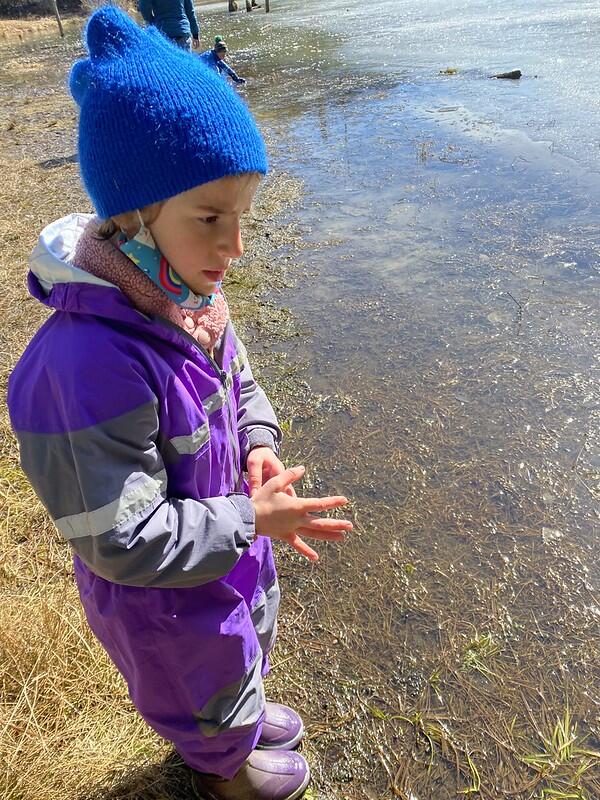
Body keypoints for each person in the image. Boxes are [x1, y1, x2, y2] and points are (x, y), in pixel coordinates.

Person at [7, 7, 353, 800]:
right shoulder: (85, 365)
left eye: (244, 218)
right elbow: (119, 538)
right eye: (210, 219)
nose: (235, 246)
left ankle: (238, 713)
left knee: (237, 656)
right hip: (163, 602)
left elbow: (238, 380)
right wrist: (249, 519)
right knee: (197, 688)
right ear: (133, 214)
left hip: (220, 560)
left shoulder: (186, 297)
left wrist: (257, 440)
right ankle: (221, 770)